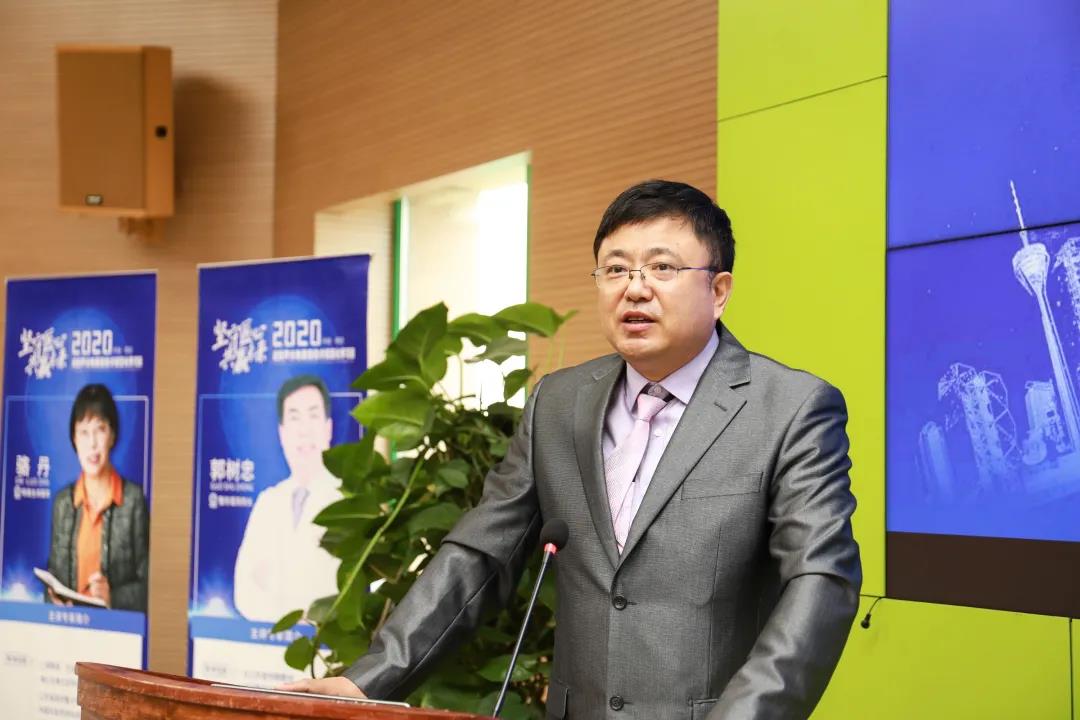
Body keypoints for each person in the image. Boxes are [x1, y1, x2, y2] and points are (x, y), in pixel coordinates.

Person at [283, 180, 862, 719]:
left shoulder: (788, 409)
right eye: (615, 268)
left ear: (718, 290)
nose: (635, 287)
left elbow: (819, 580)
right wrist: (368, 681)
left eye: (662, 267)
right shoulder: (558, 404)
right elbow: (483, 554)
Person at [233, 374, 342, 622]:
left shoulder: (345, 501)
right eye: (294, 417)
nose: (304, 430)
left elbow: (336, 593)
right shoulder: (268, 502)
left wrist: (276, 589)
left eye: (313, 416)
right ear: (282, 433)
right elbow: (244, 589)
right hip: (262, 640)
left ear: (328, 428)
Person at [47, 383, 149, 611]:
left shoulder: (133, 501)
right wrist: (51, 596)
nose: (92, 443)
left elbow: (150, 587)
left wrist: (113, 597)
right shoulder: (63, 503)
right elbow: (53, 573)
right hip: (68, 627)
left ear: (112, 435)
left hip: (114, 629)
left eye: (100, 429)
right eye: (84, 432)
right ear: (74, 439)